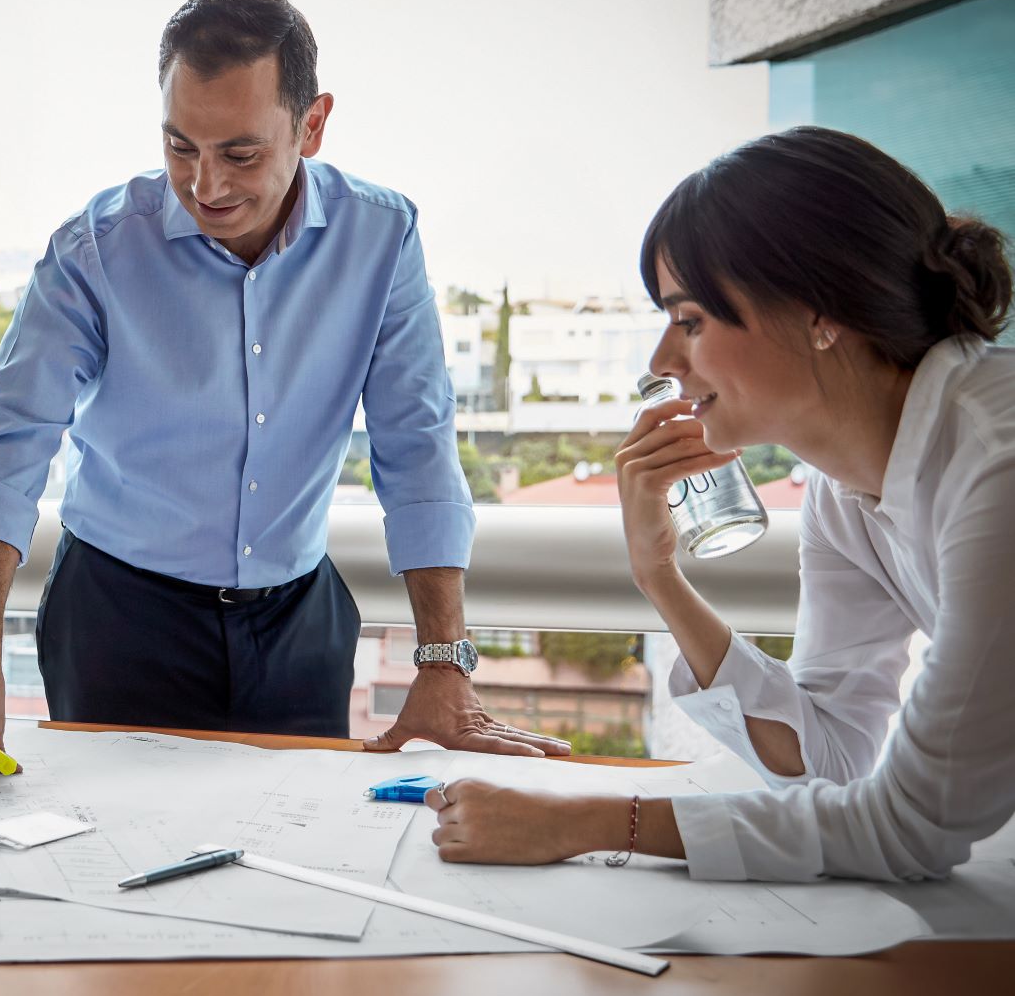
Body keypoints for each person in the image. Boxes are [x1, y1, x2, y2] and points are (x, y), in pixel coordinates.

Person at [0, 0, 567, 794]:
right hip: (118, 616)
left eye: (240, 154)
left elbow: (417, 449)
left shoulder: (383, 237)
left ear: (313, 125)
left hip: (299, 622)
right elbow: (3, 452)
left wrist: (444, 662)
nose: (206, 184)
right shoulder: (95, 248)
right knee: (113, 857)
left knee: (298, 851)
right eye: (180, 148)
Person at [427, 126, 1015, 881]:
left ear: (820, 310)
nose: (662, 362)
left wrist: (591, 821)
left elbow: (910, 825)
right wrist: (659, 578)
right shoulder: (846, 495)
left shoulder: (996, 472)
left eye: (691, 320)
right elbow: (831, 759)